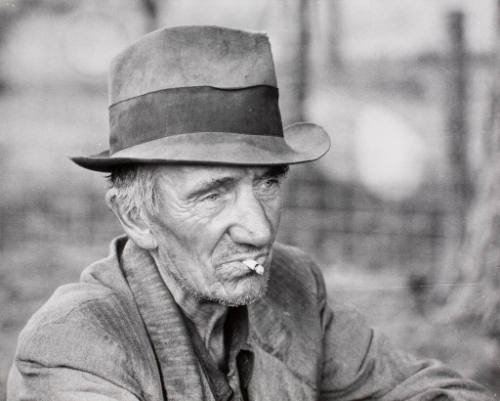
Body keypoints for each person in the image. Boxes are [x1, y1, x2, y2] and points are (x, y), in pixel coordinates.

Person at [7, 25, 494, 401]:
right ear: (136, 219)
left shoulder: (292, 283)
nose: (259, 229)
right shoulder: (73, 345)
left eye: (268, 182)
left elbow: (433, 389)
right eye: (213, 194)